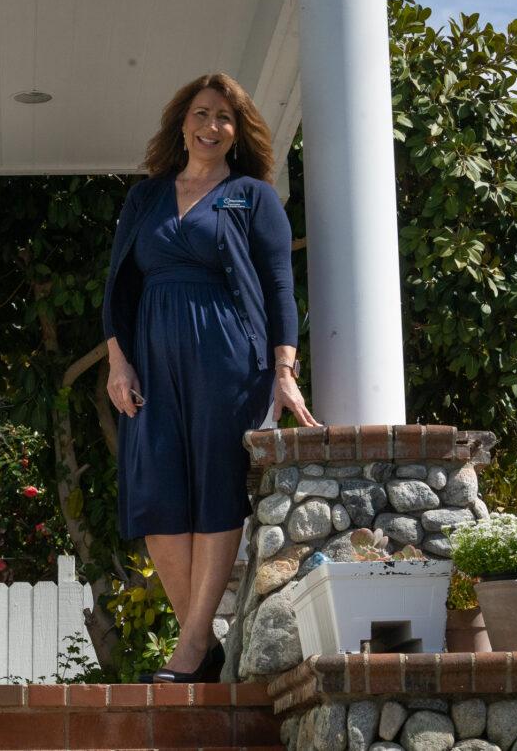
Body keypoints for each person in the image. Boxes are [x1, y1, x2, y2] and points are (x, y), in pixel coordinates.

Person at [102, 73, 320, 683]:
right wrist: (118, 361)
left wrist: (284, 370)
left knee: (214, 490)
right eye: (201, 113)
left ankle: (193, 648)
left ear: (236, 131)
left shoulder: (253, 197)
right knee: (156, 494)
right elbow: (118, 284)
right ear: (182, 122)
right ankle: (201, 641)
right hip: (150, 359)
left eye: (224, 117)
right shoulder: (144, 199)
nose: (211, 126)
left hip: (228, 357)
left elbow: (280, 288)